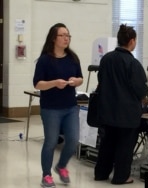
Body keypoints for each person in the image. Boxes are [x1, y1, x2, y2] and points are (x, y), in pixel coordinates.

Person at [94, 24, 148, 184]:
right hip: (127, 113)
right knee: (125, 146)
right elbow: (140, 89)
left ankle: (101, 173)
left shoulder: (106, 59)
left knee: (107, 143)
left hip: (107, 110)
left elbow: (101, 81)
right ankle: (121, 176)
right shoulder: (133, 63)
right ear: (132, 41)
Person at [33, 23, 83, 187]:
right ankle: (46, 175)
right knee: (51, 141)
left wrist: (76, 81)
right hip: (50, 108)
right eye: (63, 35)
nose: (66, 38)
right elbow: (38, 84)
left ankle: (61, 166)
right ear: (54, 38)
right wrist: (54, 83)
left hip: (70, 107)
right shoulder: (45, 60)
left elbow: (80, 78)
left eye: (68, 35)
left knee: (73, 139)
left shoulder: (72, 58)